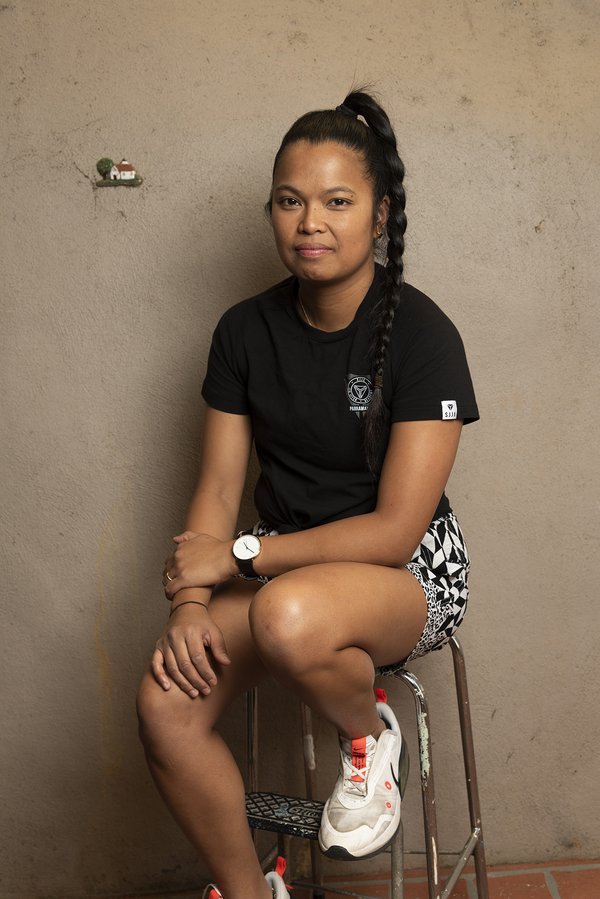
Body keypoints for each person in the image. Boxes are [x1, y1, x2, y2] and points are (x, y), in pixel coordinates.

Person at [137, 89, 479, 899]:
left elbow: (396, 530)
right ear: (271, 211)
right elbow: (218, 488)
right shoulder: (243, 331)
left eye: (336, 201)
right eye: (290, 201)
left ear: (380, 214)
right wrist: (189, 606)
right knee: (164, 701)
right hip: (281, 577)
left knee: (285, 614)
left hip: (407, 576)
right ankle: (254, 893)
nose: (310, 222)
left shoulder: (425, 335)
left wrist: (243, 556)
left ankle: (370, 733)